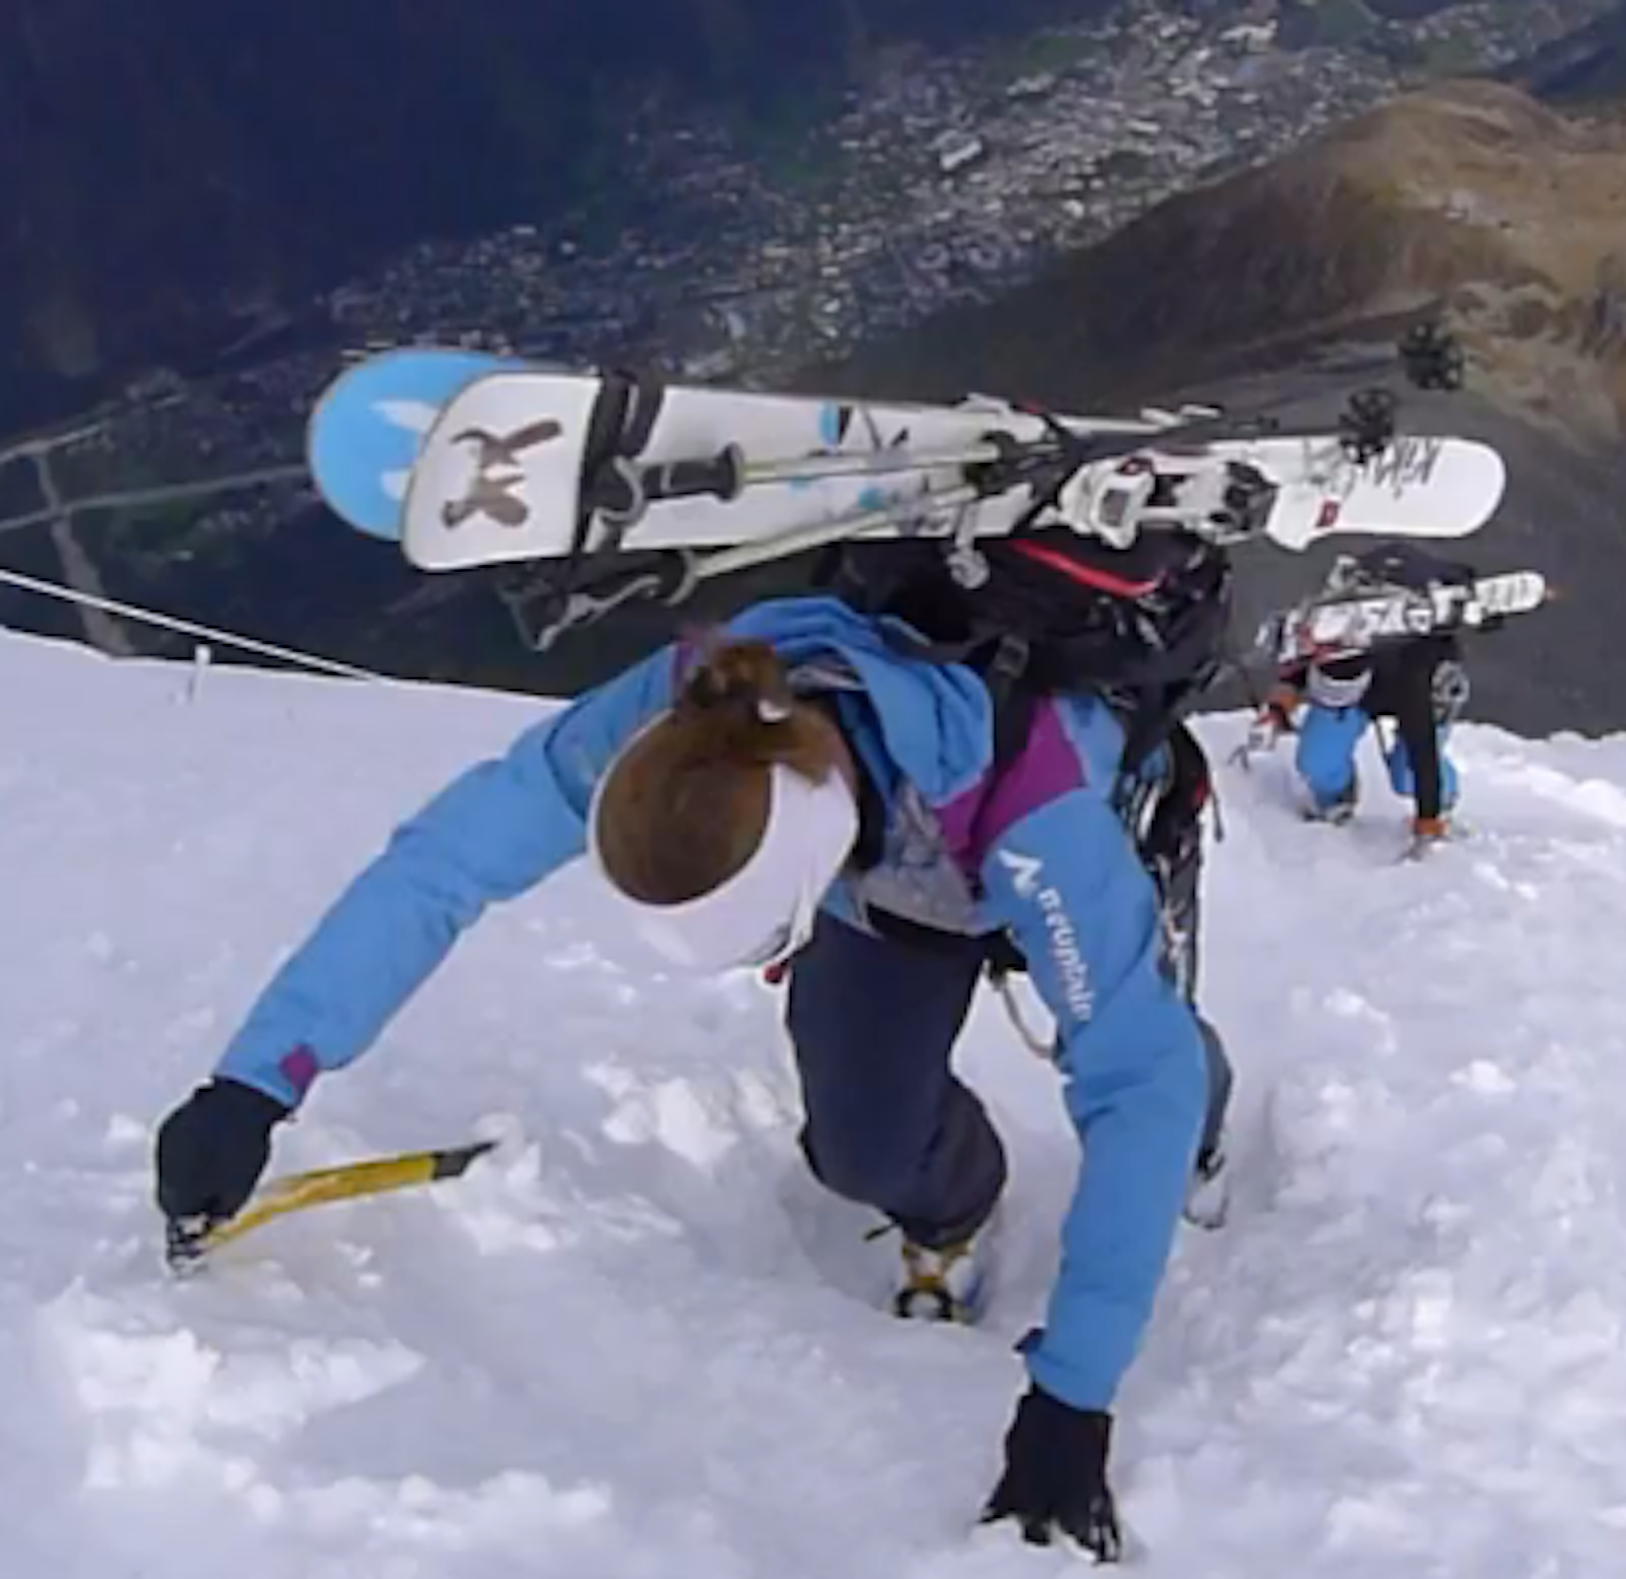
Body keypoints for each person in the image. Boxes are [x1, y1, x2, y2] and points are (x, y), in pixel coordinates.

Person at [151, 579, 1236, 1563]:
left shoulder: (1039, 816)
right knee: (859, 1145)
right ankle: (953, 1206)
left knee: (1167, 1077)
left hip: (1020, 837)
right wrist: (257, 1080)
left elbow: (1133, 1075)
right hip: (885, 887)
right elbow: (450, 857)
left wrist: (1072, 1397)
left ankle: (1215, 1123)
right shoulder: (696, 715)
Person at [1244, 548, 1474, 849]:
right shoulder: (1332, 636)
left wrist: (1427, 819)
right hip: (1369, 680)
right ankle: (1335, 796)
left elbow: (1423, 744)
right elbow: (1297, 669)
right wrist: (1277, 708)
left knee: (1408, 775)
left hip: (1420, 684)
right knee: (1317, 758)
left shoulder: (1411, 674)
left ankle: (1444, 798)